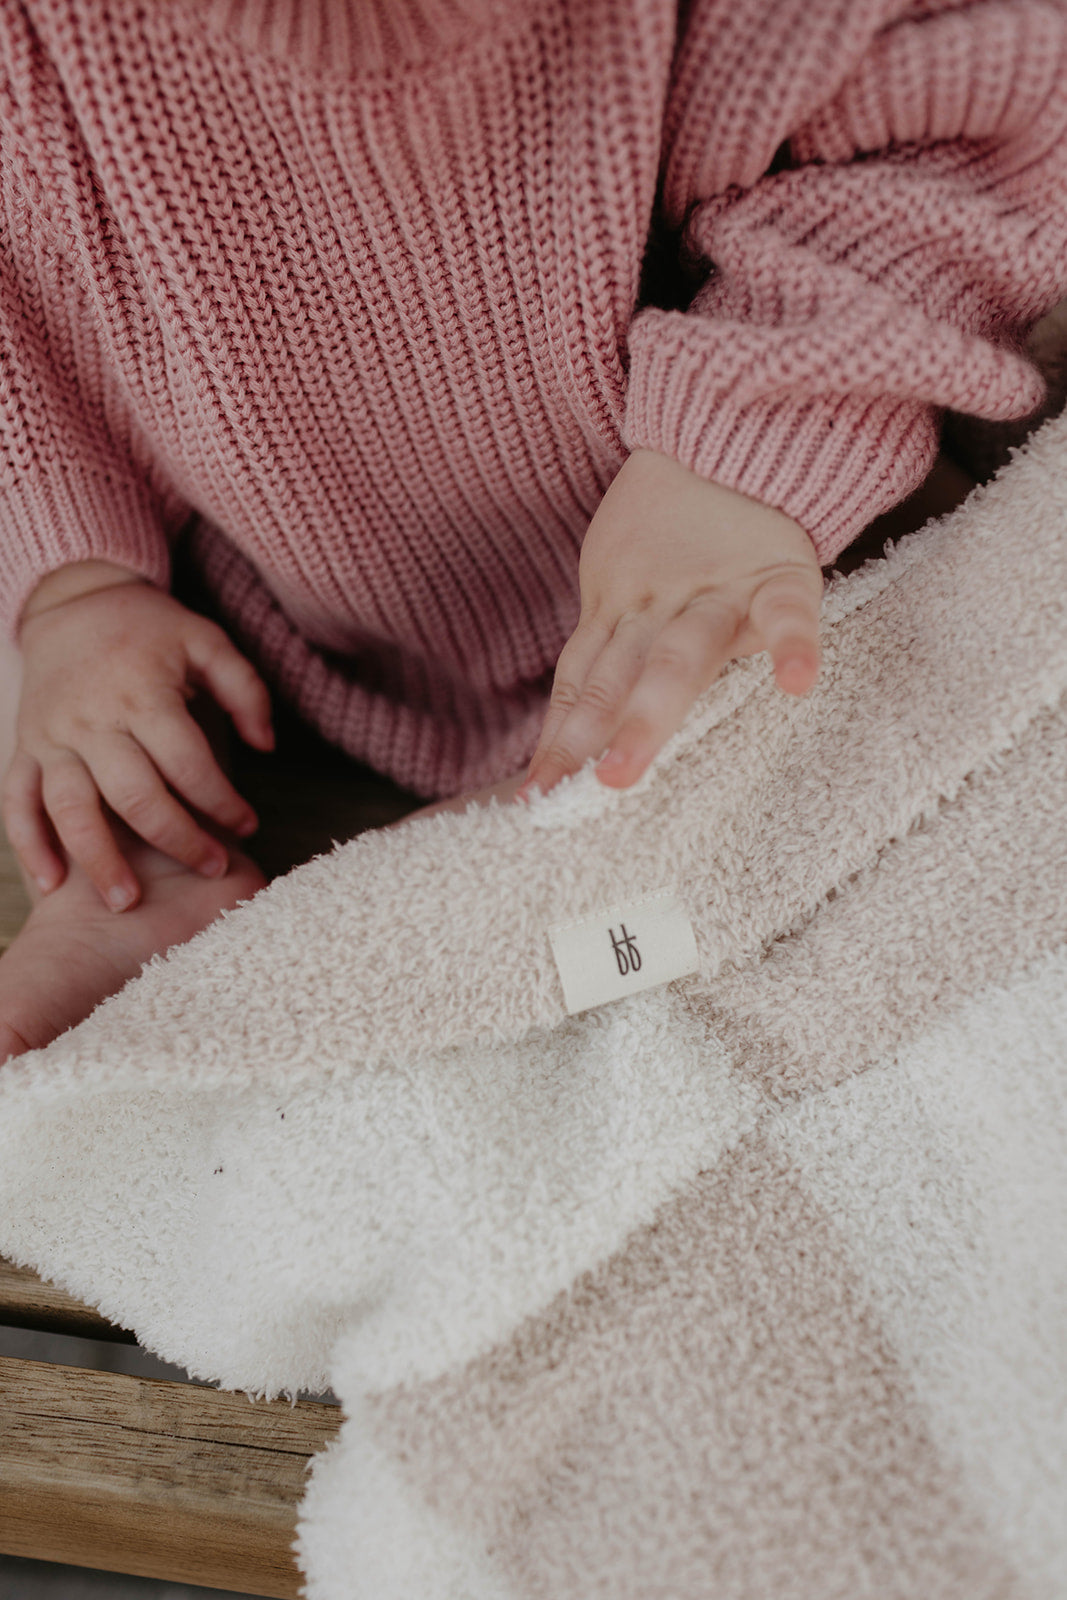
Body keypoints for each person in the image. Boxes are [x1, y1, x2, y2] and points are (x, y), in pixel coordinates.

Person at [1, 0, 1065, 1063]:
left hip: (763, 556)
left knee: (896, 770)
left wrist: (741, 438)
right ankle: (167, 874)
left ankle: (473, 905)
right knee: (125, 742)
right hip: (285, 634)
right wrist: (74, 584)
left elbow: (970, 109)